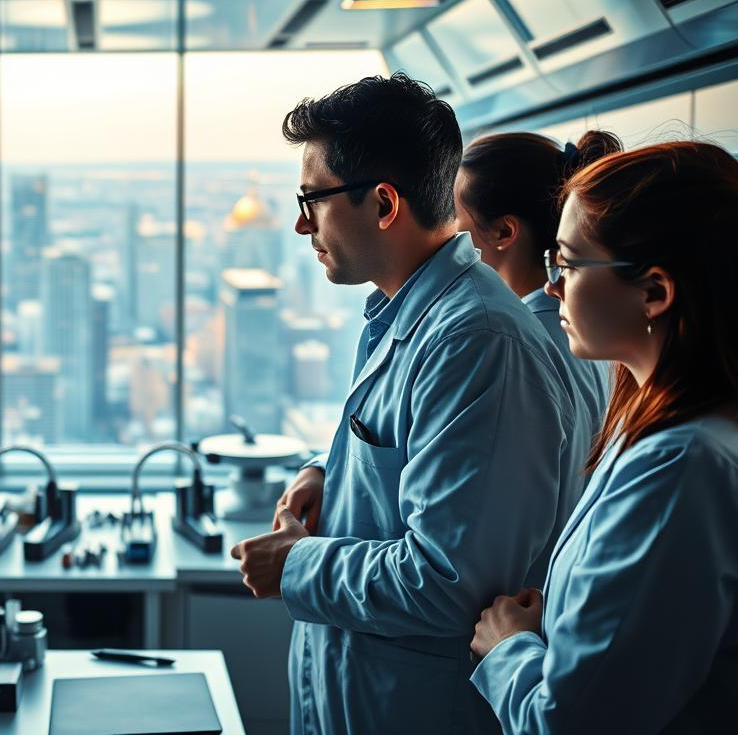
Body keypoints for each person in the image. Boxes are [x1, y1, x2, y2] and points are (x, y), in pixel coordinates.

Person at [228, 73, 580, 734]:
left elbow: (447, 581)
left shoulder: (478, 342)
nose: (302, 223)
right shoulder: (406, 313)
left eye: (313, 200)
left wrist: (296, 564)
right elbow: (403, 449)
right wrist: (324, 469)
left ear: (384, 203)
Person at [469, 141, 738, 732]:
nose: (552, 287)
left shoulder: (685, 466)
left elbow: (573, 724)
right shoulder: (659, 423)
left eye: (570, 265)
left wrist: (509, 648)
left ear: (654, 292)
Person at [455, 130, 622, 542]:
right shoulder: (592, 334)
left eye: (454, 221)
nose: (444, 239)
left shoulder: (505, 349)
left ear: (503, 233)